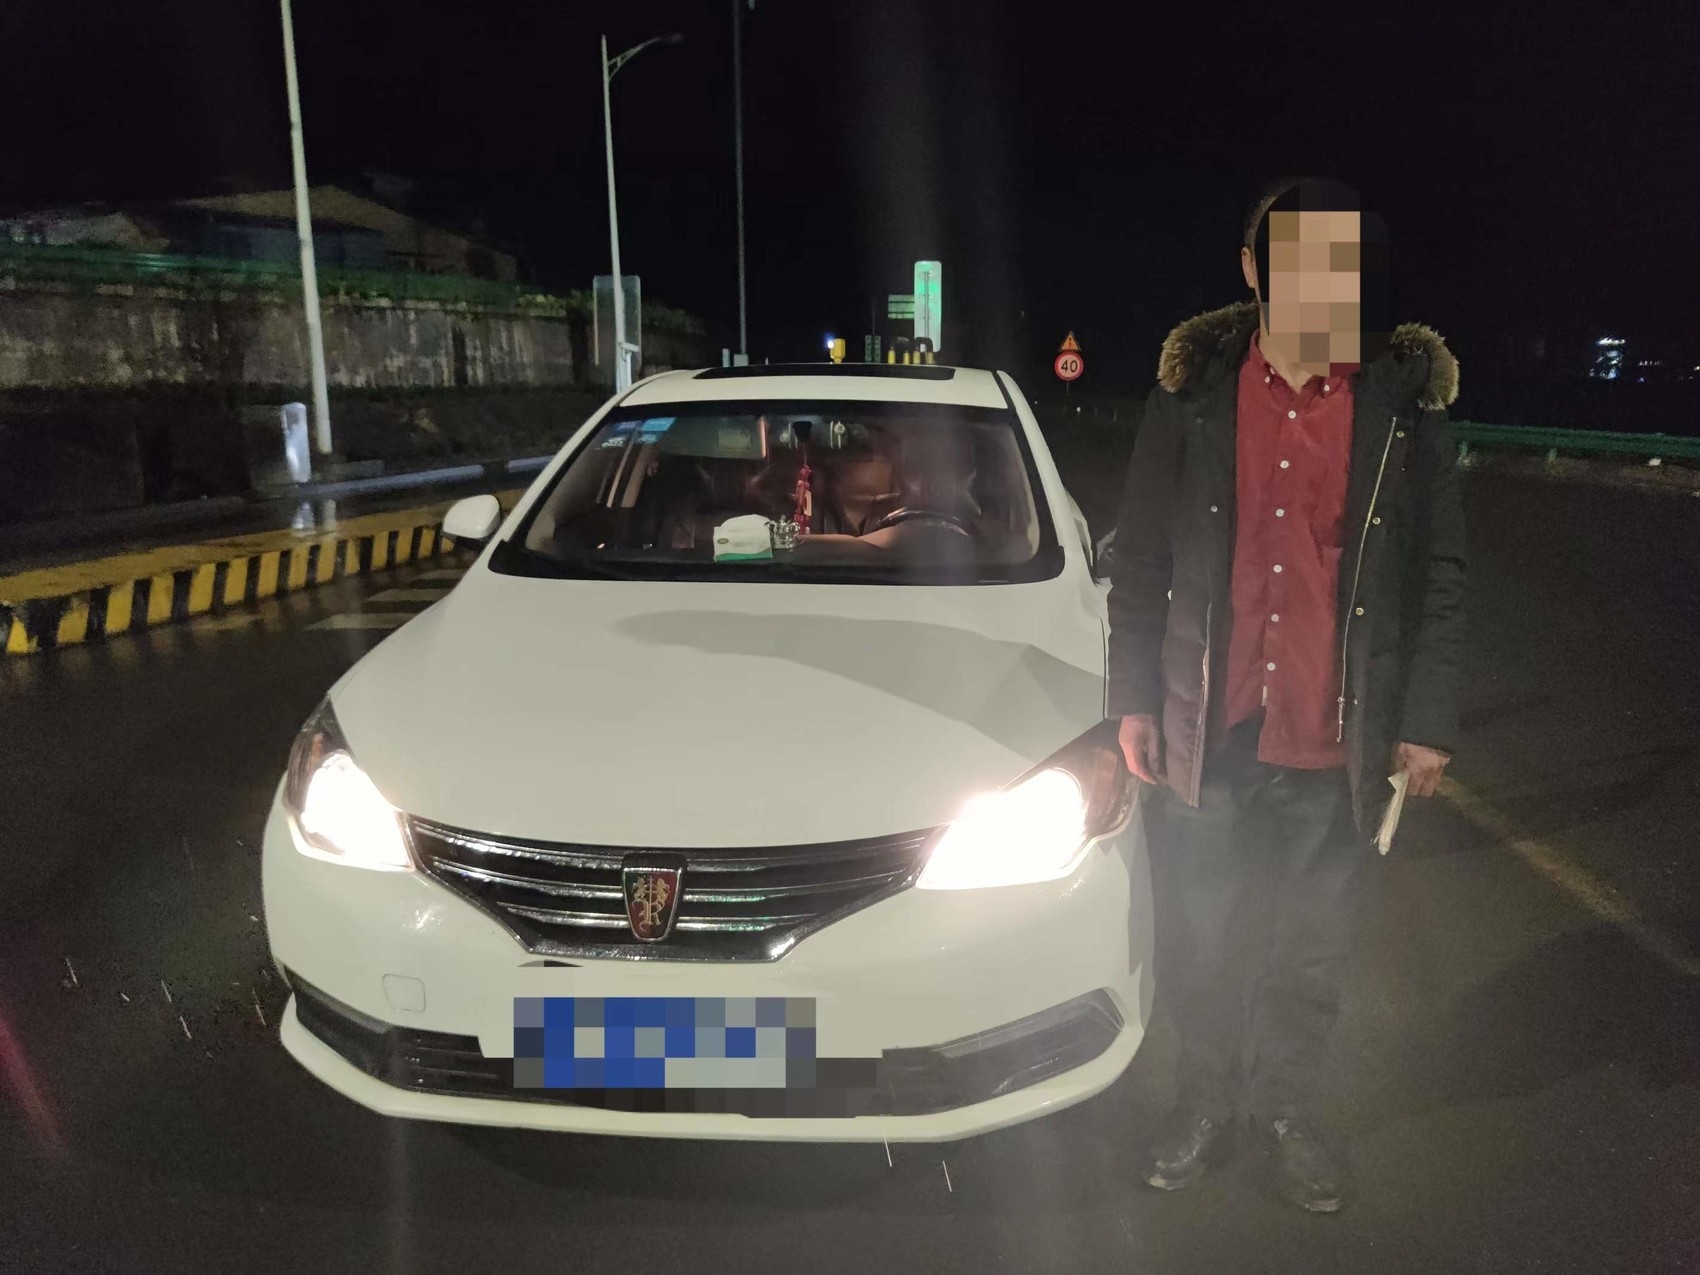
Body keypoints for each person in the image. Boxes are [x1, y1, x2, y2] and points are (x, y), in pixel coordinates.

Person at [1107, 177, 1466, 1212]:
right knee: (1204, 936)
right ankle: (1203, 1101)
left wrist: (1425, 720)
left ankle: (1285, 1110)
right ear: (1252, 268)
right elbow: (1142, 560)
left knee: (1310, 948)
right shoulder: (1193, 399)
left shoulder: (1402, 408)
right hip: (1210, 723)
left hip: (1335, 731)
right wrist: (1135, 698)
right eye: (1295, 259)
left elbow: (1438, 573)